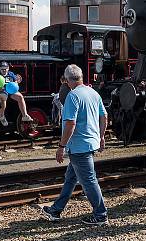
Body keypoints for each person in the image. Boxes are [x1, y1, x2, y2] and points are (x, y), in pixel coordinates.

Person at [41, 64, 109, 226]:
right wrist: (101, 137)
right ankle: (56, 210)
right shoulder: (92, 92)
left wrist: (61, 146)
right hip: (89, 142)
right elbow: (104, 116)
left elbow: (70, 124)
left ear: (67, 80)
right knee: (71, 178)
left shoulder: (73, 96)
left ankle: (100, 215)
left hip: (79, 146)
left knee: (89, 180)